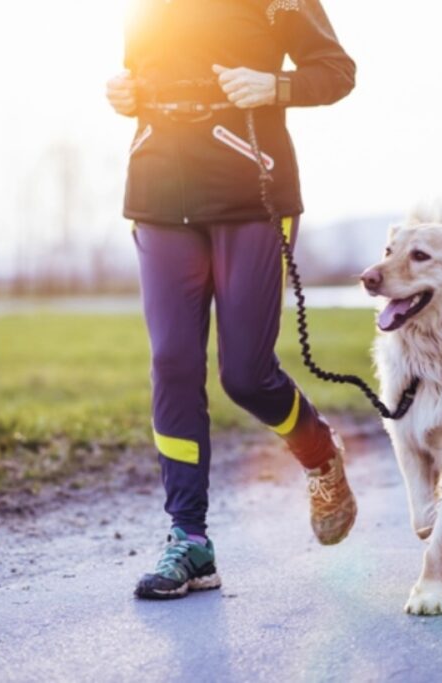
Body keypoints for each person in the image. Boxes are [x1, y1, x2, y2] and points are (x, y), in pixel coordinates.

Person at [106, 0, 357, 600]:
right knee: (173, 361)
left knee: (245, 374)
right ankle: (188, 538)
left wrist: (276, 84)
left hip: (252, 189)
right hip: (160, 191)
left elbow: (337, 70)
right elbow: (139, 75)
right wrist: (125, 93)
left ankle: (320, 454)